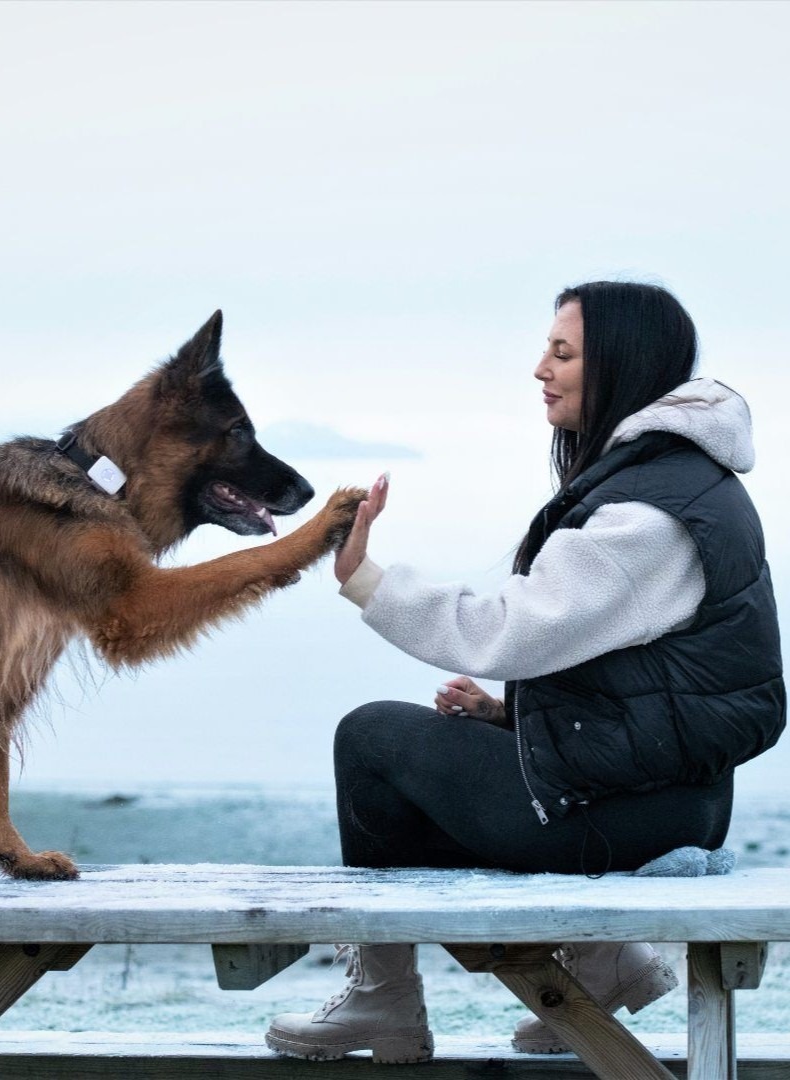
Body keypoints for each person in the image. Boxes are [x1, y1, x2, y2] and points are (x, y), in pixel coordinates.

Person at [265, 281, 786, 1063]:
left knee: (371, 740)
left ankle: (385, 999)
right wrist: (509, 717)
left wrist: (366, 579)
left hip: (633, 818)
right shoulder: (684, 484)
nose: (540, 367)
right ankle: (598, 962)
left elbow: (510, 629)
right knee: (426, 761)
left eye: (563, 352)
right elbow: (642, 673)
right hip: (670, 801)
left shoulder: (643, 517)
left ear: (619, 363)